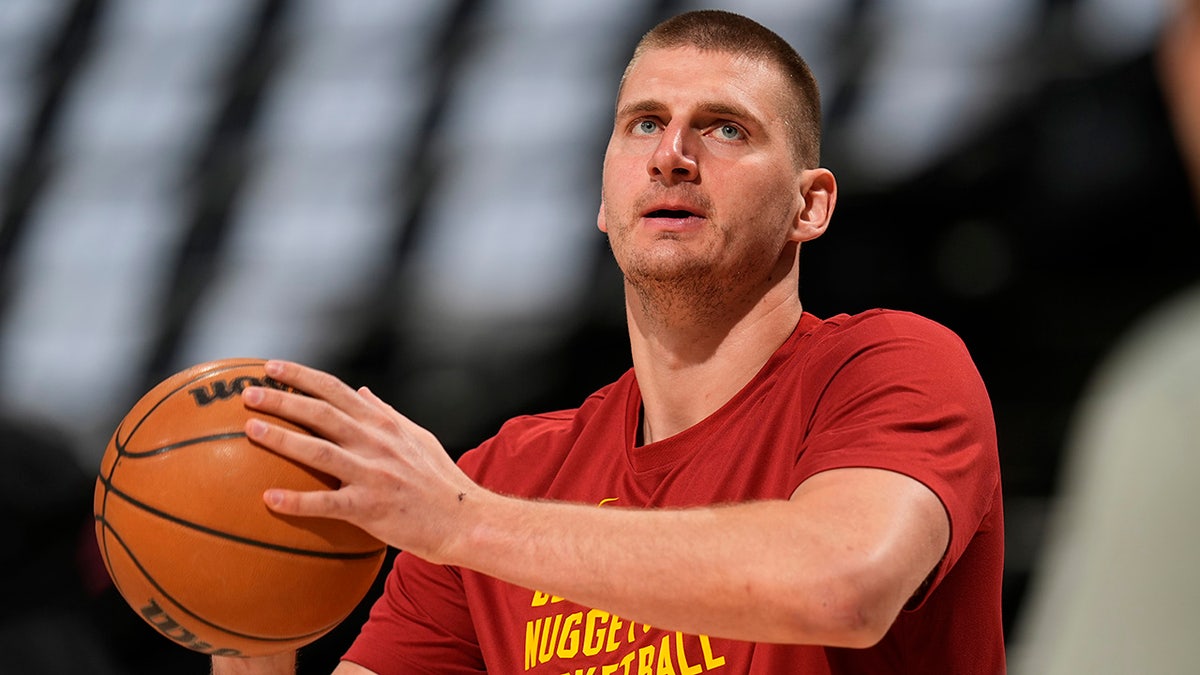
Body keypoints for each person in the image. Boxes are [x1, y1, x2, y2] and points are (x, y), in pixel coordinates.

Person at [214, 9, 1005, 674]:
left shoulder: (893, 367)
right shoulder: (505, 471)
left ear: (811, 205)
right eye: (645, 124)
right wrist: (245, 625)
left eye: (725, 129)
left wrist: (467, 523)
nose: (672, 155)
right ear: (604, 194)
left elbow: (845, 585)